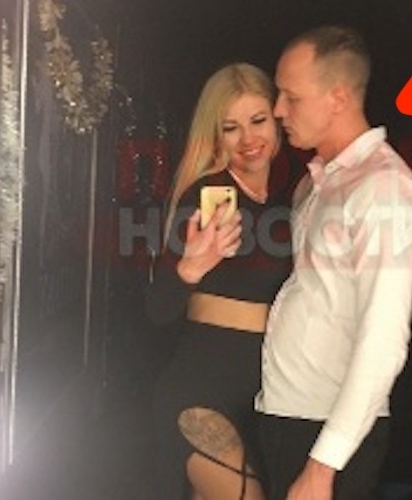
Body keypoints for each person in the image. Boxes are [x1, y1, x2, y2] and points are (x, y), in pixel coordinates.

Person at [254, 25, 412, 500]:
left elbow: (384, 340)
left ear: (337, 97)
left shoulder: (383, 192)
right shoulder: (318, 182)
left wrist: (322, 467)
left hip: (324, 430)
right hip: (290, 413)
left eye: (291, 97)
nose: (278, 110)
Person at [146, 62, 303, 500]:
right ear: (215, 135)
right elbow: (156, 310)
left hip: (265, 402)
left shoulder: (295, 197)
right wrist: (189, 269)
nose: (249, 139)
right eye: (231, 128)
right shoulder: (205, 197)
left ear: (277, 118)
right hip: (200, 397)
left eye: (258, 121)